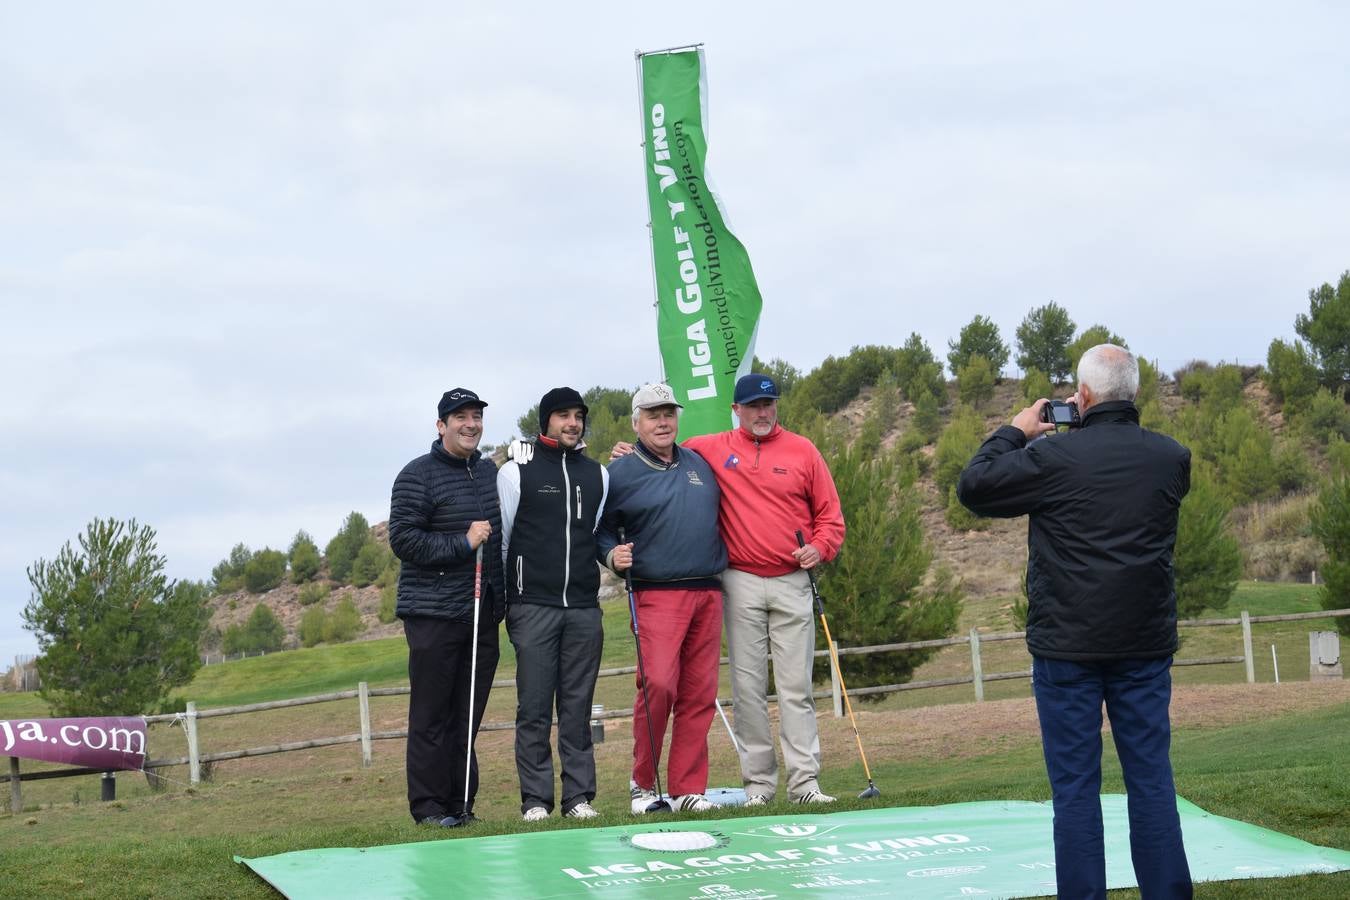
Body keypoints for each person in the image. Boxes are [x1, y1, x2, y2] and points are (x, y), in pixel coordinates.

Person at [956, 344, 1193, 899]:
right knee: (1152, 782)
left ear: (1081, 397)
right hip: (1143, 643)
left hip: (1068, 649)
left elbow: (975, 487)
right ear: (1133, 393)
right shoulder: (1171, 457)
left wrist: (1016, 431)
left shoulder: (1054, 459)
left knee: (1076, 791)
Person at [615, 372, 845, 805]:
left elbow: (830, 518)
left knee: (796, 688)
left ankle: (805, 785)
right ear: (736, 411)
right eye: (753, 406)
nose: (762, 413)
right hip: (737, 582)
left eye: (769, 404)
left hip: (791, 580)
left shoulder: (803, 451)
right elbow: (657, 455)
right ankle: (758, 787)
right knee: (748, 690)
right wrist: (629, 456)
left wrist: (820, 547)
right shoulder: (710, 449)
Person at [595, 383, 729, 815]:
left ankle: (689, 787)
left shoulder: (699, 462)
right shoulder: (619, 472)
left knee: (698, 692)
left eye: (669, 413)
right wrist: (610, 556)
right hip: (656, 593)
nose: (663, 421)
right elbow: (597, 531)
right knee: (658, 685)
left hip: (707, 590)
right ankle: (643, 784)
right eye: (652, 415)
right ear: (636, 422)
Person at [389, 387, 504, 827]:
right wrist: (462, 542)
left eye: (476, 416)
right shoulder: (417, 475)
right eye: (461, 417)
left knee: (467, 715)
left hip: (481, 613)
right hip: (433, 614)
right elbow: (404, 539)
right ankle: (430, 809)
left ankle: (460, 805)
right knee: (432, 716)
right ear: (441, 426)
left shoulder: (490, 472)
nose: (470, 424)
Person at [498, 387, 609, 821]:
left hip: (583, 608)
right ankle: (536, 801)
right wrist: (511, 604)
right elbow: (504, 542)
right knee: (534, 709)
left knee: (578, 709)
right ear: (546, 421)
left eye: (578, 415)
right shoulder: (516, 471)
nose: (572, 422)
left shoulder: (598, 474)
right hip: (533, 606)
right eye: (563, 415)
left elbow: (597, 536)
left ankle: (579, 798)